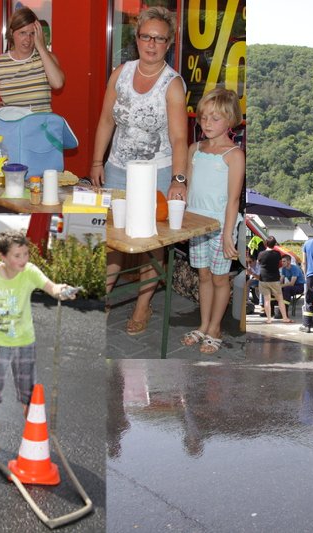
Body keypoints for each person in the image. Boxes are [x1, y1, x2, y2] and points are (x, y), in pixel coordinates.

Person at [91, 6, 187, 335]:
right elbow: (106, 120)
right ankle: (101, 299)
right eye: (147, 36)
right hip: (117, 169)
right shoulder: (121, 73)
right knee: (112, 240)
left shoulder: (172, 84)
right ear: (137, 38)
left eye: (159, 39)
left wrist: (178, 180)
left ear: (169, 43)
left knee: (150, 244)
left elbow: (179, 138)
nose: (152, 44)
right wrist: (96, 162)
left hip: (156, 175)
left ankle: (143, 305)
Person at [0, 231, 75, 453]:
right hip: (0, 343)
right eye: (17, 255)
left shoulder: (29, 272)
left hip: (26, 342)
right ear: (2, 256)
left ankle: (33, 436)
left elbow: (51, 287)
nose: (23, 259)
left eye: (26, 254)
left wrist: (62, 290)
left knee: (29, 392)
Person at [179, 87, 245, 353]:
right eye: (204, 117)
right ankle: (204, 324)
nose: (207, 123)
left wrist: (228, 235)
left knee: (220, 278)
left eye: (215, 118)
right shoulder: (194, 149)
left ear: (230, 120)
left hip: (220, 227)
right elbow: (187, 189)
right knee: (203, 275)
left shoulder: (234, 155)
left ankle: (215, 328)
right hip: (196, 225)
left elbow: (233, 199)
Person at [0, 7, 64, 112]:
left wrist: (41, 47)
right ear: (11, 32)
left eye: (32, 33)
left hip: (42, 122)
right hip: (13, 122)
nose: (28, 39)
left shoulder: (47, 59)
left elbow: (58, 84)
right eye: (22, 33)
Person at [256, 237, 293, 324]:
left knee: (267, 300)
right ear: (275, 244)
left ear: (266, 244)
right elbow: (280, 264)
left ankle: (269, 319)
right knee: (280, 299)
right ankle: (285, 318)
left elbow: (258, 263)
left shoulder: (261, 254)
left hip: (263, 279)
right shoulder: (277, 254)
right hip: (275, 279)